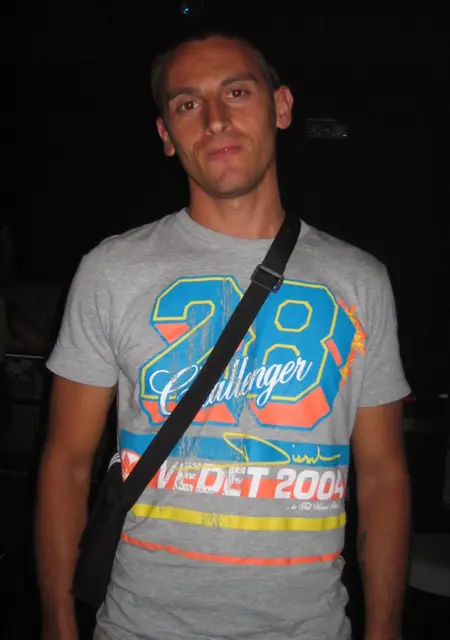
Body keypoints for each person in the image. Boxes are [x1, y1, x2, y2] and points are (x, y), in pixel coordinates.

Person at [35, 29, 411, 640]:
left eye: (236, 92)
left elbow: (383, 475)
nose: (214, 120)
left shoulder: (360, 280)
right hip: (140, 625)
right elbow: (66, 464)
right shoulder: (111, 270)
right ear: (166, 135)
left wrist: (386, 628)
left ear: (281, 107)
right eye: (187, 104)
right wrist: (56, 624)